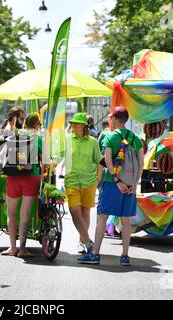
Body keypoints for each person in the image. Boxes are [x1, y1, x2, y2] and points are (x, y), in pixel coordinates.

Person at [79, 107, 144, 266]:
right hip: (130, 185)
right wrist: (134, 184)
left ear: (115, 119)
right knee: (126, 221)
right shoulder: (135, 139)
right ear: (126, 120)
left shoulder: (110, 136)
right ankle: (125, 256)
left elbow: (107, 161)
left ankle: (95, 254)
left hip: (111, 183)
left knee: (102, 218)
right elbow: (141, 163)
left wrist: (117, 181)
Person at [1, 113, 42, 258]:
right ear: (37, 125)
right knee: (24, 214)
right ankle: (23, 249)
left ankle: (12, 248)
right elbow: (44, 161)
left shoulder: (14, 134)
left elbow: (3, 154)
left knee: (11, 213)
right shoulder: (38, 138)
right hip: (31, 177)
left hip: (12, 177)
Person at [62, 113, 103, 254]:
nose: (73, 125)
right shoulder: (66, 139)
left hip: (89, 182)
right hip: (71, 181)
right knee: (74, 212)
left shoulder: (93, 142)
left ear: (83, 126)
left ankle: (82, 241)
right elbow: (58, 154)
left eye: (76, 123)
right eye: (72, 123)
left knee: (85, 212)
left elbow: (99, 161)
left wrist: (98, 179)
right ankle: (88, 241)